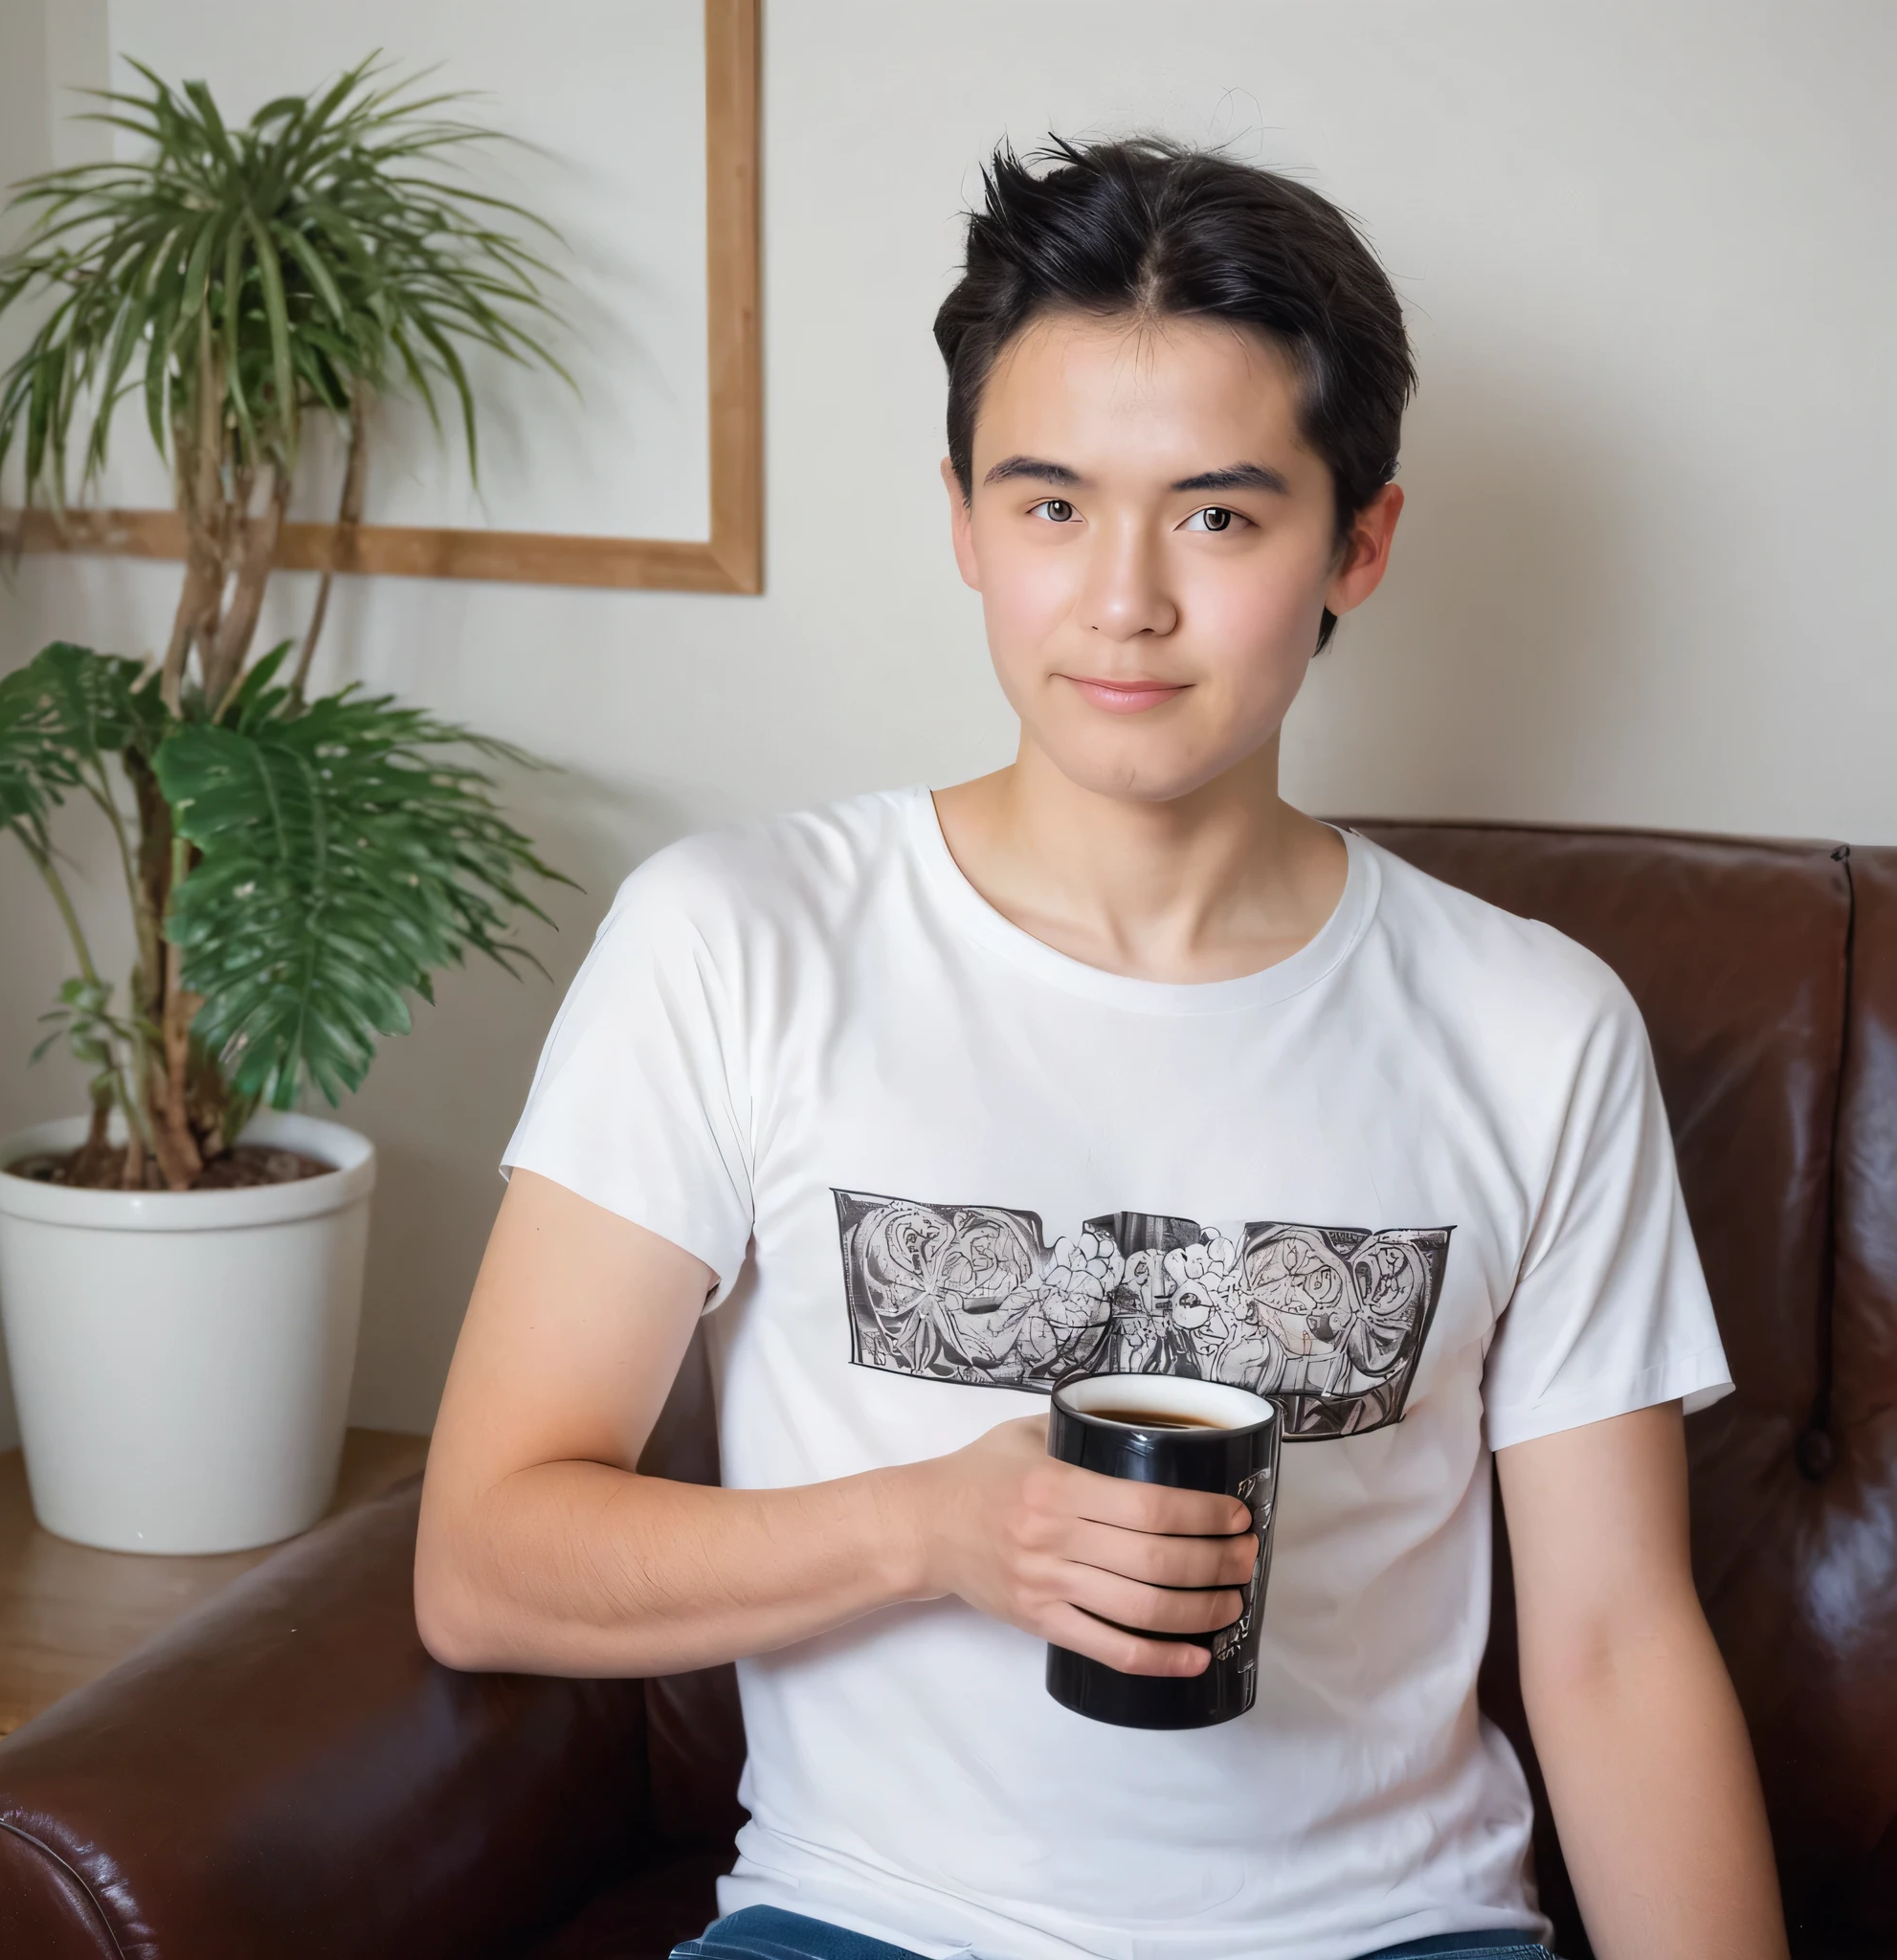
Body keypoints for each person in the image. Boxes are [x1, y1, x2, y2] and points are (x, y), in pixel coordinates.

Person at [414, 138, 1789, 1960]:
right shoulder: (735, 939)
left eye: (1218, 515)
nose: (1123, 598)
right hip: (865, 1927)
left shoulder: (1536, 1026)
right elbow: (484, 1562)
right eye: (1051, 505)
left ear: (1355, 544)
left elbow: (1617, 1648)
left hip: (1392, 1935)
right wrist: (934, 1532)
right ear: (966, 522)